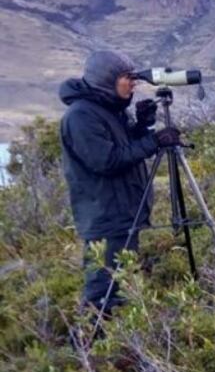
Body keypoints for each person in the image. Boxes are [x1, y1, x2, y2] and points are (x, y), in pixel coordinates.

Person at [60, 50, 182, 314]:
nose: (134, 83)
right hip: (106, 214)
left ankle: (117, 344)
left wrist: (141, 126)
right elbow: (107, 161)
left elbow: (123, 146)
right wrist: (153, 142)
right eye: (127, 78)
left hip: (122, 209)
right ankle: (89, 346)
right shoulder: (81, 116)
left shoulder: (110, 109)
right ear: (106, 79)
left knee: (121, 279)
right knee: (104, 288)